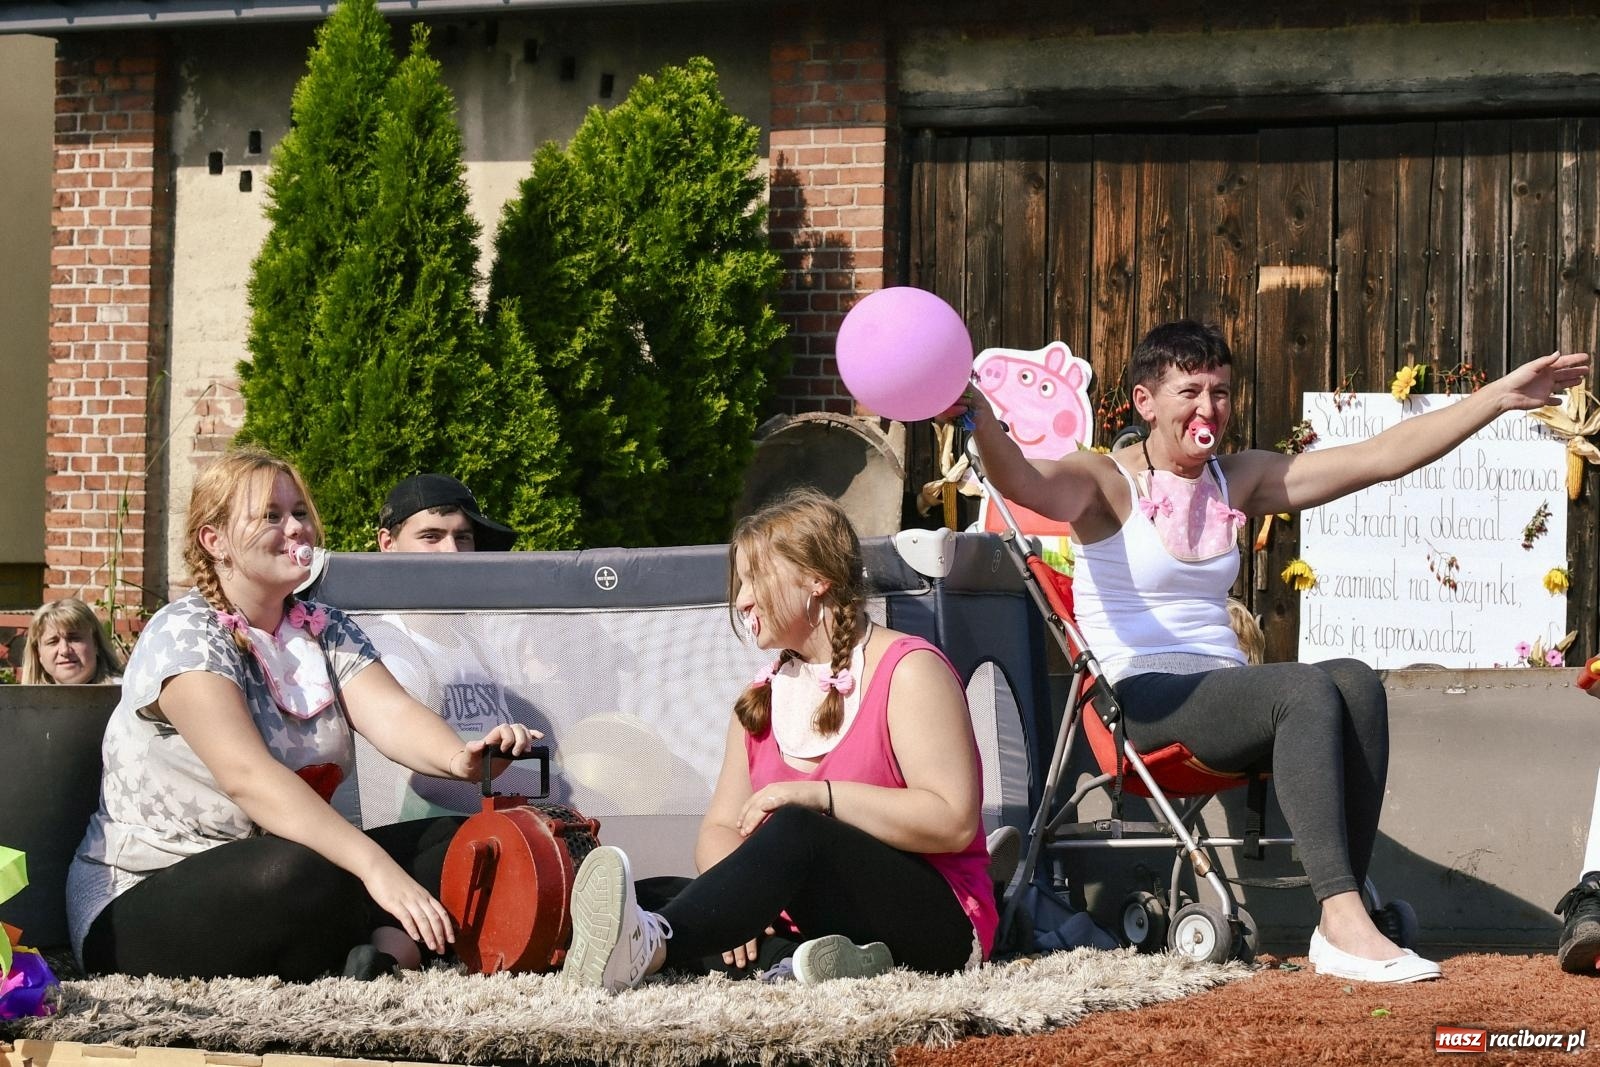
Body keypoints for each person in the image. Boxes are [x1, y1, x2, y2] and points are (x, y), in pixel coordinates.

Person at [960, 319, 1588, 985]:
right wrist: (981, 417)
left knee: (1354, 681)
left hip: (1221, 696)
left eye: (1221, 392)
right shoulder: (1104, 481)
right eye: (1190, 392)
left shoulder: (1236, 478)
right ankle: (1344, 920)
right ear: (1145, 401)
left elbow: (1380, 457)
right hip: (1138, 703)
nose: (1209, 409)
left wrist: (1496, 398)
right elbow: (1023, 481)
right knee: (1301, 686)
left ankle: (1343, 913)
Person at [65, 447, 539, 980]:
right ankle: (388, 941)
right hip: (149, 894)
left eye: (299, 513)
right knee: (300, 869)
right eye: (271, 515)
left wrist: (460, 759)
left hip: (302, 870)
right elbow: (247, 777)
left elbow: (391, 712)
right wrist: (376, 868)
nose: (295, 528)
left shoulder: (325, 626)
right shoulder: (184, 632)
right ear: (214, 540)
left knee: (464, 840)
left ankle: (376, 953)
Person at [560, 488, 996, 992]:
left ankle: (655, 948)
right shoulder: (759, 697)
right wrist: (742, 905)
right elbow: (720, 827)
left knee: (795, 827)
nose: (742, 599)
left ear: (816, 578)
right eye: (740, 582)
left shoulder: (909, 669)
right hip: (814, 917)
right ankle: (803, 963)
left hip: (938, 924)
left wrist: (820, 796)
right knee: (652, 893)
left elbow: (952, 822)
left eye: (755, 578)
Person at [377, 473, 517, 552]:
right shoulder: (366, 596)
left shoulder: (498, 595)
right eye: (430, 536)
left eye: (463, 538)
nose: (452, 550)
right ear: (388, 543)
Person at [20, 597, 125, 685]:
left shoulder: (125, 695)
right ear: (38, 653)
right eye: (52, 642)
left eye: (74, 639)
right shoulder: (25, 701)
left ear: (96, 643)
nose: (64, 651)